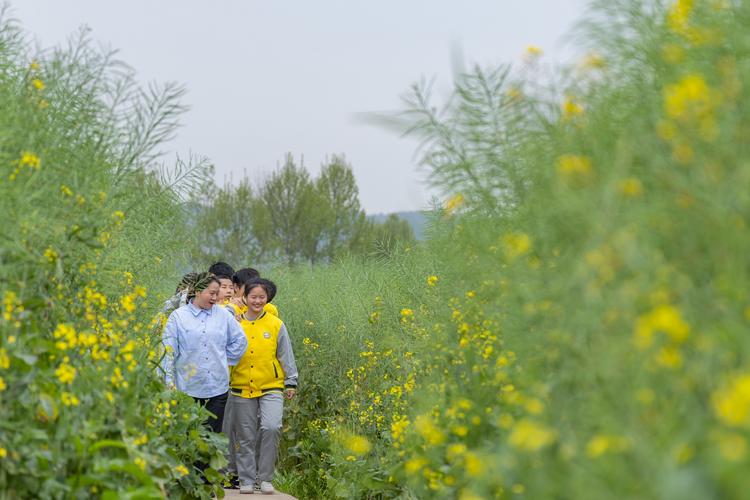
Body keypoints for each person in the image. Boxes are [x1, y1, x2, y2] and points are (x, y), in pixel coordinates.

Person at [225, 278, 297, 495]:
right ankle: (246, 479)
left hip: (271, 385)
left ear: (268, 299)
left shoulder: (276, 324)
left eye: (262, 297)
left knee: (271, 427)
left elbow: (286, 354)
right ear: (244, 298)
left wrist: (290, 381)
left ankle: (264, 478)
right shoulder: (235, 323)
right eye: (253, 296)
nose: (257, 301)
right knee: (245, 436)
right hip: (240, 386)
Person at [161, 272, 248, 436]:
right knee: (188, 438)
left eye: (217, 293)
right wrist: (168, 381)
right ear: (198, 291)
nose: (216, 298)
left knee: (210, 439)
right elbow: (168, 352)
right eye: (212, 293)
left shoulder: (223, 315)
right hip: (187, 389)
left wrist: (222, 357)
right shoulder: (178, 317)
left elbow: (240, 341)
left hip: (217, 388)